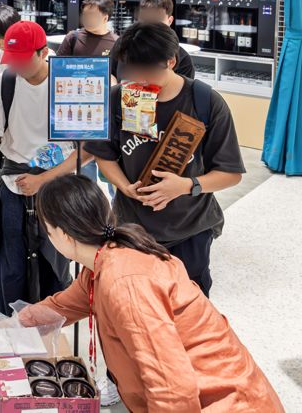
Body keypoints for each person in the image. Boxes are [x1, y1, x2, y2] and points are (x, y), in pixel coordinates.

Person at [16, 174, 283, 413]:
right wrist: (11, 327)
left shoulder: (126, 282)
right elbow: (63, 306)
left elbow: (172, 388)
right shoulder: (104, 260)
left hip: (226, 403)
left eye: (48, 231)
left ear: (63, 234)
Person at [85, 22, 245, 297]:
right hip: (133, 230)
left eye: (146, 70)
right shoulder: (119, 98)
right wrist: (124, 187)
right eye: (131, 69)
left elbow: (231, 173)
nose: (138, 77)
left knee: (188, 310)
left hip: (190, 229)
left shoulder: (205, 102)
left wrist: (184, 186)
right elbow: (103, 155)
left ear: (171, 61)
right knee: (136, 308)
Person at [0, 21, 89, 316]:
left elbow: (88, 149)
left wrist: (45, 180)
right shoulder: (6, 82)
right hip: (15, 179)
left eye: (24, 59)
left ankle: (52, 332)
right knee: (12, 262)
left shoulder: (69, 83)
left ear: (43, 52)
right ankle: (12, 330)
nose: (18, 66)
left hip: (59, 184)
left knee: (55, 260)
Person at [57, 0, 118, 188]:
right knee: (84, 166)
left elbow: (122, 79)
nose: (87, 20)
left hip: (108, 115)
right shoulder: (74, 38)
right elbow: (57, 70)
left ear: (106, 17)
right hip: (80, 114)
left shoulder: (117, 44)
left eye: (92, 15)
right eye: (85, 15)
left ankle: (117, 211)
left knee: (112, 165)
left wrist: (113, 81)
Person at [114, 0, 195, 81]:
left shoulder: (183, 60)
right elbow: (110, 74)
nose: (150, 28)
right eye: (146, 20)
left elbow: (183, 91)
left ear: (170, 21)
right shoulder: (123, 45)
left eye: (157, 21)